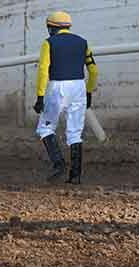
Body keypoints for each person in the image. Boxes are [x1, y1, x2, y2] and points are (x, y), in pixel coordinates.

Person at [32, 11, 97, 185]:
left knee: (45, 128)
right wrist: (89, 92)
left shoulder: (48, 43)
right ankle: (75, 176)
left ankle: (58, 163)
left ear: (51, 27)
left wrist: (40, 96)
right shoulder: (83, 43)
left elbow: (43, 70)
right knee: (75, 132)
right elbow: (93, 71)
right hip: (79, 87)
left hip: (57, 87)